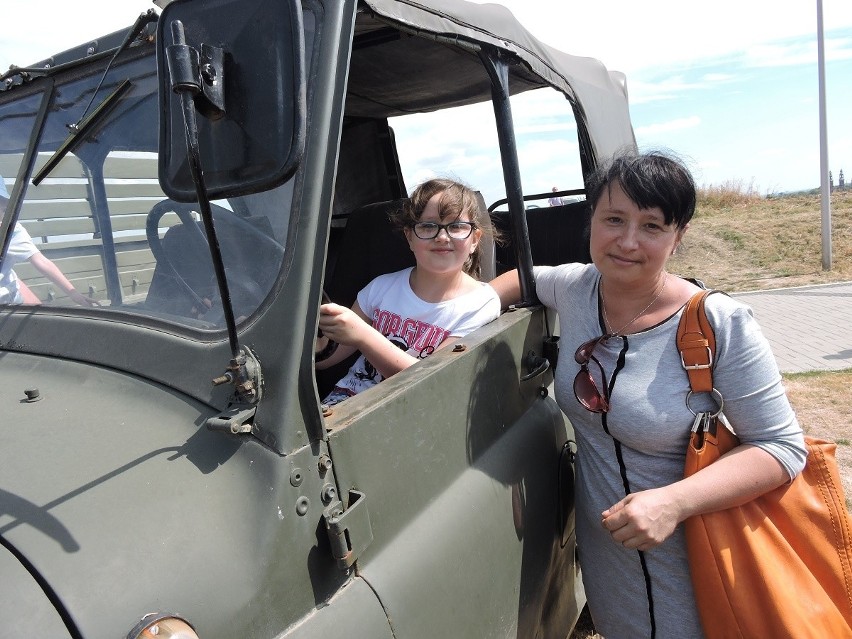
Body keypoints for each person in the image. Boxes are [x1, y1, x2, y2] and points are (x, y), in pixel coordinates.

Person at [489, 151, 807, 638]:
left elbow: (782, 448)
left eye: (652, 226)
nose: (628, 241)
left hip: (697, 565)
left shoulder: (719, 323)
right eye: (613, 219)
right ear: (590, 219)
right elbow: (517, 280)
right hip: (609, 568)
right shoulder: (576, 287)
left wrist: (674, 502)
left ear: (677, 237)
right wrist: (446, 328)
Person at [316, 178, 501, 406]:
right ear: (409, 237)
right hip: (343, 407)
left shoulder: (480, 303)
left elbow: (430, 382)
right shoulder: (381, 287)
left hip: (411, 416)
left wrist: (363, 336)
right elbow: (327, 358)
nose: (442, 236)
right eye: (428, 226)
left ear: (474, 239)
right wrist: (316, 343)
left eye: (456, 226)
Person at [0, 179, 99, 307]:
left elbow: (40, 261)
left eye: (2, 207)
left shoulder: (12, 231)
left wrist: (74, 295)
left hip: (10, 303)